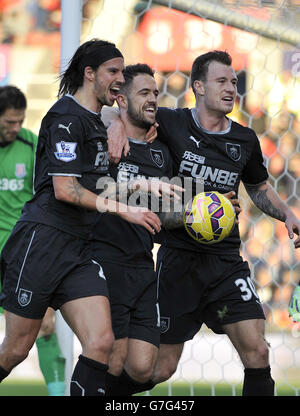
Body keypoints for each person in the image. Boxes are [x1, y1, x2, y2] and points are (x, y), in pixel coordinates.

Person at [107, 50, 300, 396]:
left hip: (226, 262)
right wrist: (116, 126)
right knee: (159, 367)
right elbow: (120, 108)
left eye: (234, 82)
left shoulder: (245, 139)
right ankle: (102, 393)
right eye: (221, 81)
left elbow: (257, 188)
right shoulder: (170, 122)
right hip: (178, 259)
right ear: (198, 86)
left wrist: (287, 214)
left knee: (257, 350)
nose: (230, 88)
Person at [0, 39, 164, 396]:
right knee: (14, 351)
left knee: (102, 342)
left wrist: (144, 185)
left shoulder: (95, 122)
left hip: (78, 251)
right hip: (43, 243)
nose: (121, 79)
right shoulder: (64, 118)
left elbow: (98, 186)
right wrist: (127, 210)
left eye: (123, 72)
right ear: (89, 74)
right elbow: (66, 189)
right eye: (114, 72)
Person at [91, 63, 187, 396]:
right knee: (112, 360)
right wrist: (113, 123)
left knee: (144, 366)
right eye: (144, 93)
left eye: (156, 93)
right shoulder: (105, 142)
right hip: (106, 261)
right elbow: (93, 189)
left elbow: (170, 211)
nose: (153, 100)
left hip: (143, 265)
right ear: (121, 99)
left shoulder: (161, 154)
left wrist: (197, 214)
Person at [0, 85, 65, 396]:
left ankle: (56, 392)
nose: (15, 128)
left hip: (22, 254)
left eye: (19, 121)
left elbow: (45, 195)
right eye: (9, 122)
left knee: (45, 326)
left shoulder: (30, 145)